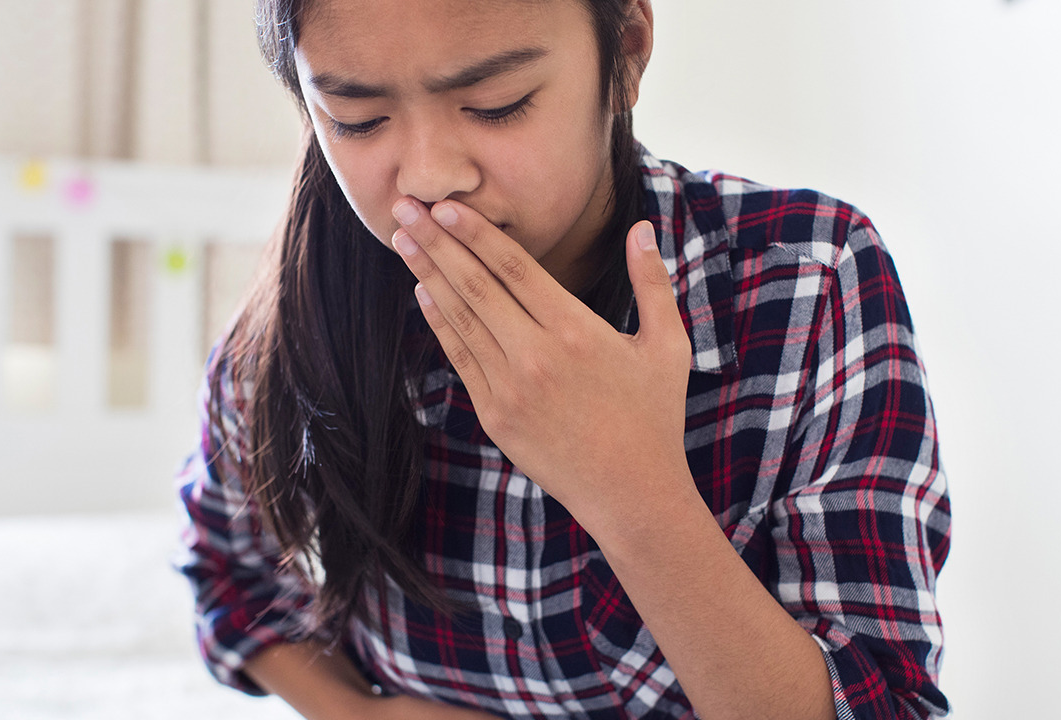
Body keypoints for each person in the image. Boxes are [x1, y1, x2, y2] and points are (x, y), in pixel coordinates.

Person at [174, 1, 951, 718]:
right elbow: (225, 572)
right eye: (357, 118)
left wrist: (629, 486)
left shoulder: (805, 277)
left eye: (496, 105)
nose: (430, 176)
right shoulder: (303, 316)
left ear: (628, 48)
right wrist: (363, 713)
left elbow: (881, 698)